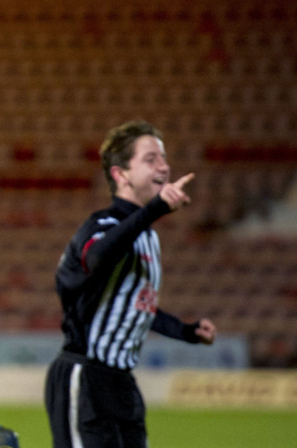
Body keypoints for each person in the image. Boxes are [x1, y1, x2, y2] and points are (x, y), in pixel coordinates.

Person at [45, 121, 217, 448]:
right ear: (120, 174)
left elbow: (137, 306)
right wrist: (155, 209)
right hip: (86, 379)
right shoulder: (101, 225)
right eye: (150, 159)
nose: (164, 167)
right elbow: (97, 258)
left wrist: (186, 331)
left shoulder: (148, 238)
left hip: (122, 386)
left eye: (163, 158)